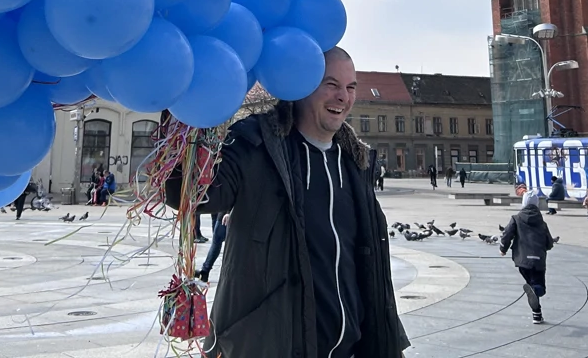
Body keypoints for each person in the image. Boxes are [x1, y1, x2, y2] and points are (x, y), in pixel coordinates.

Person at [167, 47, 408, 358]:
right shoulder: (255, 146)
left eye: (350, 88)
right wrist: (182, 112)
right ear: (302, 85)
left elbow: (368, 270)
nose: (343, 98)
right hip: (270, 346)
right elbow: (189, 195)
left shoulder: (355, 164)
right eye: (331, 85)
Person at [499, 191, 558, 325]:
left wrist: (503, 249)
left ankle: (537, 315)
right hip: (538, 260)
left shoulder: (516, 218)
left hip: (522, 260)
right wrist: (546, 247)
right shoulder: (542, 223)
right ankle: (535, 297)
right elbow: (549, 243)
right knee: (539, 287)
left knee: (532, 286)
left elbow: (507, 234)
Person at [196, 213, 229, 283]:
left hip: (225, 213)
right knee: (217, 241)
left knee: (217, 242)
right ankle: (205, 271)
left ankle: (205, 271)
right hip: (221, 212)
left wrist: (228, 212)